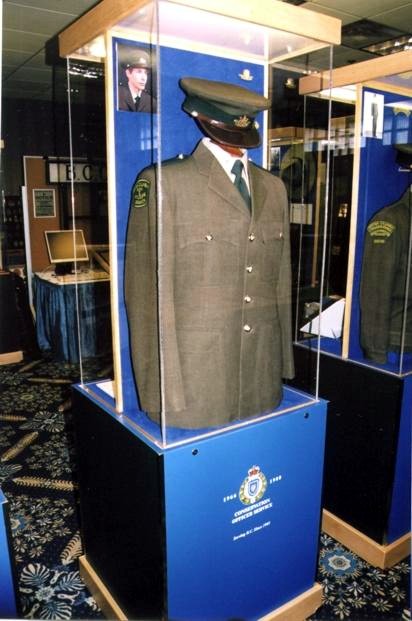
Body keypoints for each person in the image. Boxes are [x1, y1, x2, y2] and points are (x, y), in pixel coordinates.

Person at [125, 77, 294, 429]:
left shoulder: (274, 188)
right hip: (196, 383)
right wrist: (160, 392)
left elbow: (280, 284)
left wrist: (282, 365)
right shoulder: (165, 183)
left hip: (261, 378)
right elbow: (145, 297)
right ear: (201, 116)